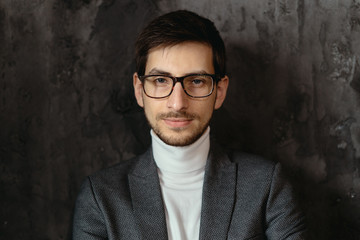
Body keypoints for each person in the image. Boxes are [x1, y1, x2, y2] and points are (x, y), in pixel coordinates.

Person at [72, 10, 306, 240]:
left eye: (196, 81)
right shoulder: (100, 196)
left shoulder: (267, 185)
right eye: (161, 80)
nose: (177, 103)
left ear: (220, 91)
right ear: (139, 90)